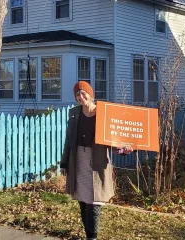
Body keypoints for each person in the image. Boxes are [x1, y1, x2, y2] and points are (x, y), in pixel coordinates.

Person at [60, 81, 133, 240]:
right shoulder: (74, 114)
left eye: (83, 92)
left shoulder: (104, 113)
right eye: (77, 94)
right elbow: (69, 141)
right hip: (78, 160)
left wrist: (123, 150)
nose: (81, 96)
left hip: (97, 162)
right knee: (82, 201)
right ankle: (88, 235)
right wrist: (64, 163)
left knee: (94, 202)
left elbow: (114, 140)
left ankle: (92, 237)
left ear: (91, 94)